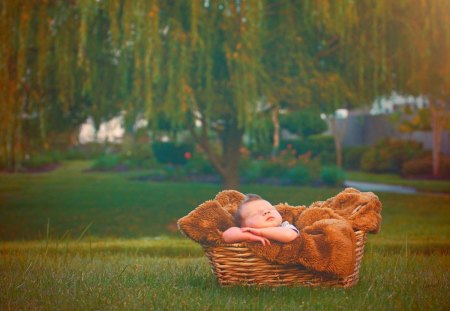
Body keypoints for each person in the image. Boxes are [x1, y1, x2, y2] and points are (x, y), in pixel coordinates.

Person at [222, 194, 299, 245]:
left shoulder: (285, 226)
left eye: (270, 209)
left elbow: (289, 235)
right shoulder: (248, 232)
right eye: (255, 213)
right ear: (244, 225)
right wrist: (249, 236)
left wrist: (260, 232)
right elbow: (226, 236)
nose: (266, 212)